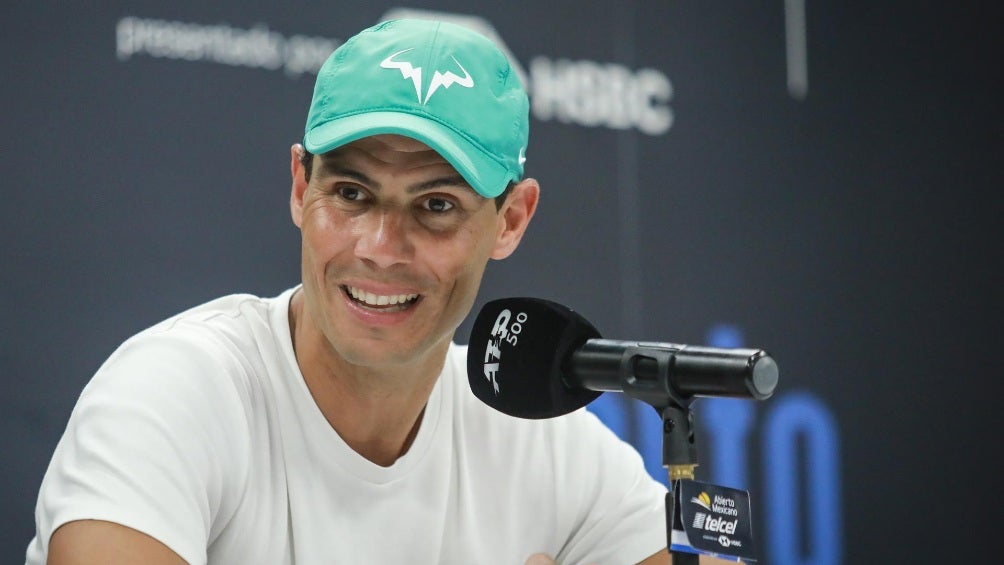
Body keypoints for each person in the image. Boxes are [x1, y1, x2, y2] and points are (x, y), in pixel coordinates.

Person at [26, 19, 736, 564]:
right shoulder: (175, 390)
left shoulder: (546, 445)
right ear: (301, 188)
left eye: (435, 206)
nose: (380, 248)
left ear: (510, 218)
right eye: (353, 192)